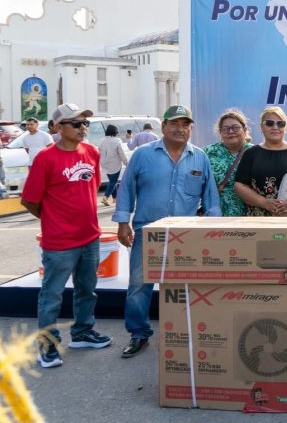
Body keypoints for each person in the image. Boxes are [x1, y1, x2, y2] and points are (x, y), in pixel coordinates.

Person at [113, 105, 220, 359]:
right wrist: (122, 222)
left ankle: (185, 332)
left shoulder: (200, 158)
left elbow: (211, 197)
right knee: (139, 285)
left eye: (185, 124)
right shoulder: (142, 155)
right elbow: (126, 189)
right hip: (147, 232)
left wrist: (213, 229)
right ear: (163, 126)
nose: (180, 129)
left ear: (191, 128)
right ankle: (139, 333)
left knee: (185, 286)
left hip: (186, 236)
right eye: (174, 123)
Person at [21, 103, 112, 368]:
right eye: (76, 123)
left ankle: (82, 332)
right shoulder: (45, 158)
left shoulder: (91, 152)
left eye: (85, 123)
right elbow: (30, 200)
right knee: (52, 296)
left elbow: (92, 187)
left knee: (87, 290)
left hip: (89, 237)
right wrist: (53, 219)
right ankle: (47, 345)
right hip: (59, 242)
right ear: (58, 128)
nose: (83, 128)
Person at [234, 106, 287, 216]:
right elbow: (239, 185)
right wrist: (263, 202)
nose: (275, 127)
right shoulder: (251, 153)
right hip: (258, 220)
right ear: (261, 127)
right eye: (269, 123)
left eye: (280, 124)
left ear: (286, 127)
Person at [204, 109, 253, 216]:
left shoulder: (255, 152)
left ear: (245, 129)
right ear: (220, 132)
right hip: (214, 214)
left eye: (235, 127)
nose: (231, 132)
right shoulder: (208, 152)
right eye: (225, 129)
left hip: (248, 214)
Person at [98, 124, 128, 207]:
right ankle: (106, 197)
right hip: (114, 164)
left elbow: (99, 151)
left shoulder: (102, 140)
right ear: (115, 132)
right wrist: (127, 163)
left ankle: (115, 199)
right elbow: (122, 153)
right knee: (113, 181)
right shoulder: (117, 141)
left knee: (112, 181)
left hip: (104, 164)